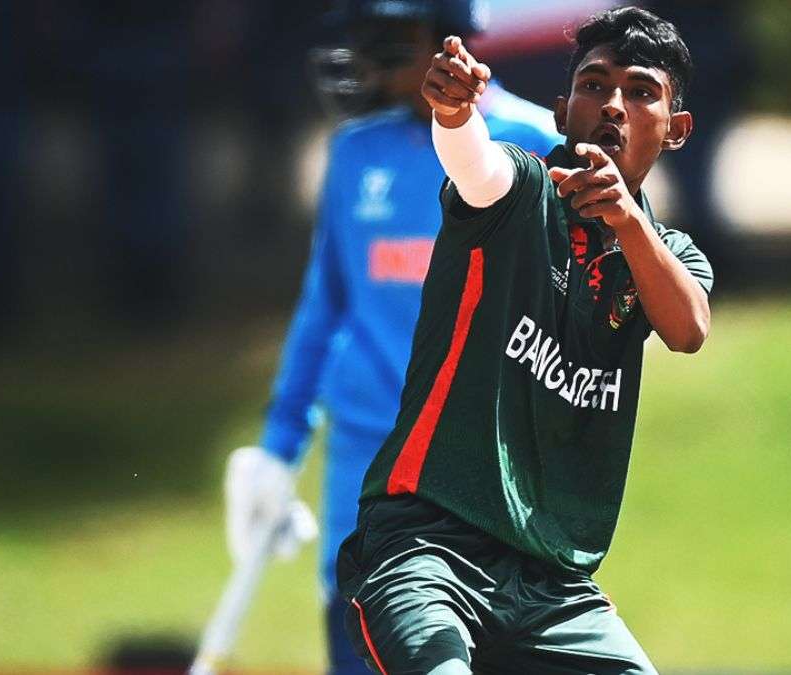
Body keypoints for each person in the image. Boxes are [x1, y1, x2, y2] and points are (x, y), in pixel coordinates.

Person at [336, 7, 712, 673]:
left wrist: (626, 221)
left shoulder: (668, 255)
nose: (614, 106)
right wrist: (453, 114)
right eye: (594, 86)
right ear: (563, 109)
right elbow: (477, 166)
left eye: (641, 91)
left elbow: (687, 330)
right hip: (426, 548)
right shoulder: (520, 191)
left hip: (553, 585)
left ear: (676, 129)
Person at [220, 2, 563, 673]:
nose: (367, 57)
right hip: (364, 463)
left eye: (388, 39)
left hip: (488, 475)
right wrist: (278, 445)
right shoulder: (354, 153)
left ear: (449, 40)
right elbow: (325, 307)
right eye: (360, 38)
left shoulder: (537, 142)